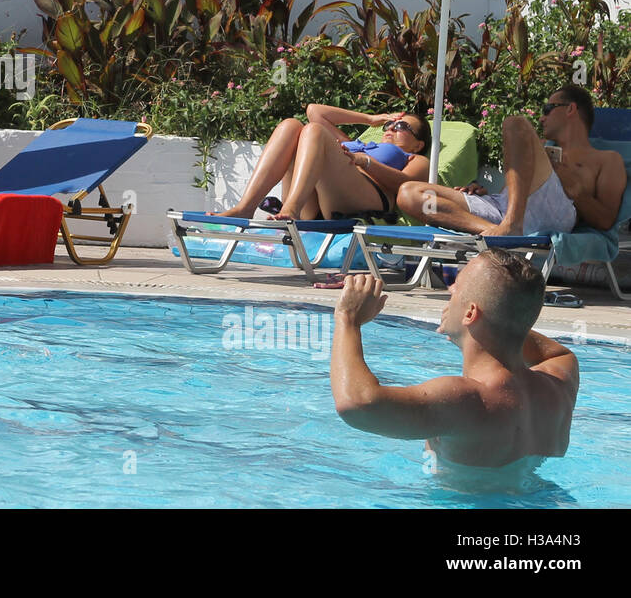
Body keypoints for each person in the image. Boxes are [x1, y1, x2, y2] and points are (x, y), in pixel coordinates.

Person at [331, 251, 578, 470]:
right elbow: (556, 351)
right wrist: (486, 328)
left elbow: (357, 405)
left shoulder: (466, 399)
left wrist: (348, 318)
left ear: (470, 313)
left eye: (457, 286)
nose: (450, 290)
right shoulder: (559, 384)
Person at [397, 84, 626, 236]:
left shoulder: (607, 159)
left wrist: (575, 189)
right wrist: (484, 192)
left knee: (515, 123)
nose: (542, 117)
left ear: (570, 109)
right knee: (410, 194)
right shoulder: (541, 154)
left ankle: (511, 226)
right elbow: (517, 191)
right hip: (502, 210)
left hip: (551, 214)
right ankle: (494, 231)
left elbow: (606, 221)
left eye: (548, 109)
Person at [219, 104, 431, 221]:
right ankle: (246, 207)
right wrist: (370, 119)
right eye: (390, 125)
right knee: (290, 125)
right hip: (317, 202)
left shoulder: (415, 158)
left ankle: (291, 209)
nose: (392, 128)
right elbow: (315, 111)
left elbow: (406, 186)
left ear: (418, 145)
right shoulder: (357, 144)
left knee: (314, 131)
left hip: (368, 197)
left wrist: (365, 162)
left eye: (402, 126)